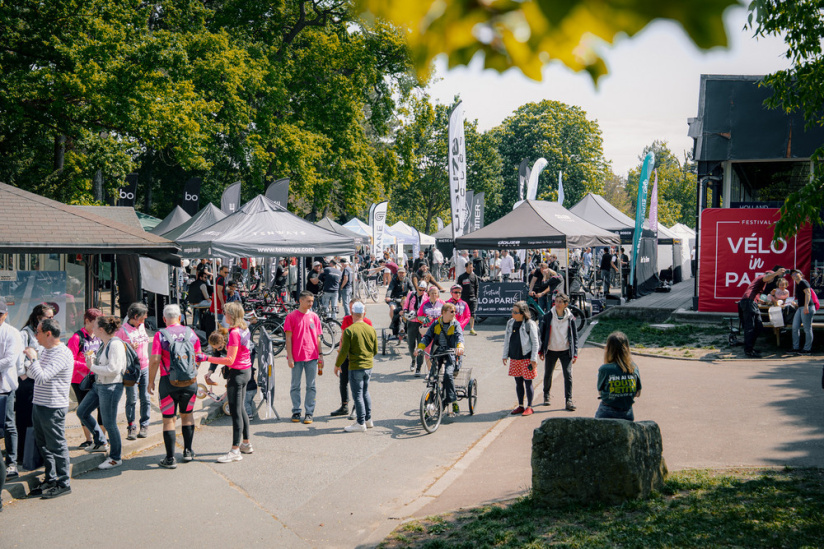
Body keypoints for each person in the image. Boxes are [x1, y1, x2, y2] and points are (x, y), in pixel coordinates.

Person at [24, 317, 73, 498]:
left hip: (53, 406)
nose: (35, 336)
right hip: (40, 403)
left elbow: (41, 376)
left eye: (37, 332)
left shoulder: (62, 353)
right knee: (43, 444)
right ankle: (50, 478)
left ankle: (63, 483)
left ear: (48, 333)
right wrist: (34, 361)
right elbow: (32, 373)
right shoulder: (45, 350)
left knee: (57, 445)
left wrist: (33, 358)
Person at [149, 304, 202, 469]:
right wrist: (191, 372)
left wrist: (151, 381)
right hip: (190, 383)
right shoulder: (191, 333)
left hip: (167, 383)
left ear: (164, 319)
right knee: (187, 416)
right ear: (180, 317)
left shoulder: (160, 335)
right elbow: (199, 357)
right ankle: (187, 451)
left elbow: (155, 359)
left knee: (168, 420)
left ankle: (170, 458)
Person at [204, 302, 254, 462]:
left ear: (231, 315)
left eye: (225, 313)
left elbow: (229, 360)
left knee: (236, 411)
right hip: (246, 371)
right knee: (241, 409)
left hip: (237, 373)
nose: (224, 315)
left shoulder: (234, 333)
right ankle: (245, 444)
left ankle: (235, 450)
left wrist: (206, 358)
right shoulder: (245, 328)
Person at [77, 316, 127, 470]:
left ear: (101, 329)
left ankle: (115, 457)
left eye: (96, 325)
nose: (92, 327)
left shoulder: (115, 344)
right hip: (99, 385)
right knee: (82, 412)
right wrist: (93, 362)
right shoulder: (104, 343)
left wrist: (92, 366)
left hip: (111, 387)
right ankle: (101, 442)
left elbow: (114, 370)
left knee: (109, 423)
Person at [14, 304, 54, 477]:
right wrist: (22, 374)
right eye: (48, 317)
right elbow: (18, 356)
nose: (51, 320)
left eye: (52, 318)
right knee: (24, 419)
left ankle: (34, 454)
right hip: (27, 381)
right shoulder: (25, 333)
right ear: (38, 317)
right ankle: (22, 455)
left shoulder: (46, 333)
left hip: (39, 378)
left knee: (35, 419)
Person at [415, 302, 465, 417]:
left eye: (455, 312)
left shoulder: (455, 324)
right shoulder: (436, 324)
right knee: (432, 377)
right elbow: (427, 337)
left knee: (448, 374)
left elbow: (459, 337)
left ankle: (453, 401)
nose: (454, 313)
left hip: (451, 353)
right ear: (443, 313)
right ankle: (428, 404)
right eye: (451, 311)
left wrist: (460, 347)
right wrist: (420, 348)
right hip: (438, 353)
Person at [336, 302, 378, 432]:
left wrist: (337, 365)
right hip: (368, 365)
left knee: (358, 395)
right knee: (365, 392)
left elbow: (344, 351)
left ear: (352, 313)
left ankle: (360, 423)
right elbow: (375, 349)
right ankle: (368, 419)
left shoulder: (350, 330)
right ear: (363, 314)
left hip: (355, 365)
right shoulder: (371, 328)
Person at [285, 291, 324, 424]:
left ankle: (309, 412)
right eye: (308, 301)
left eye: (312, 301)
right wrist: (290, 357)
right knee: (295, 385)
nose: (310, 304)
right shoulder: (291, 316)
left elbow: (318, 338)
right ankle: (296, 410)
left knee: (311, 386)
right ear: (300, 301)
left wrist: (321, 355)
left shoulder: (315, 317)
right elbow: (288, 338)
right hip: (297, 357)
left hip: (312, 357)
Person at [68, 308, 104, 448]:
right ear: (87, 321)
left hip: (97, 377)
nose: (98, 326)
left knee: (102, 407)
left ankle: (101, 438)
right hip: (79, 380)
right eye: (96, 322)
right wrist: (87, 366)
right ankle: (88, 439)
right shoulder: (77, 338)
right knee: (84, 409)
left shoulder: (99, 336)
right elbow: (69, 361)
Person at [538, 293, 579, 410]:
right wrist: (541, 351)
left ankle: (569, 400)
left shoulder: (570, 318)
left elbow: (574, 336)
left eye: (561, 302)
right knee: (548, 374)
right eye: (556, 301)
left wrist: (575, 353)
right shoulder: (548, 316)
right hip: (551, 349)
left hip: (565, 351)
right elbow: (542, 334)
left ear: (566, 304)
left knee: (568, 375)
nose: (558, 304)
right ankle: (546, 395)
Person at [116, 303, 151, 441]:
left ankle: (145, 424)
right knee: (132, 399)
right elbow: (116, 350)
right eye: (142, 318)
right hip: (131, 370)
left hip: (145, 367)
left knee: (146, 398)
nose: (144, 320)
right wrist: (128, 347)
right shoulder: (122, 331)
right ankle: (131, 426)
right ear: (135, 317)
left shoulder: (141, 326)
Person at [738, 266, 786, 358]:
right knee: (750, 327)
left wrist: (760, 300)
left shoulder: (761, 282)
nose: (773, 280)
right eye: (772, 278)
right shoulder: (762, 277)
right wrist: (776, 273)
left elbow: (754, 292)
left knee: (759, 326)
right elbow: (766, 277)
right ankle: (748, 351)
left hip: (752, 302)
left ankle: (750, 347)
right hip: (749, 302)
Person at [502, 301, 540, 416]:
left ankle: (529, 406)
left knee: (528, 382)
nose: (512, 314)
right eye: (512, 311)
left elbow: (535, 342)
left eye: (515, 312)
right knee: (518, 382)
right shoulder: (510, 323)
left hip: (526, 358)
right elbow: (506, 340)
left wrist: (533, 358)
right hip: (515, 357)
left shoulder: (530, 324)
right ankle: (520, 405)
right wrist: (505, 355)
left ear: (522, 313)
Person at [595, 331, 641, 421]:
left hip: (606, 411)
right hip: (627, 412)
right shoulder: (634, 368)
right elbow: (637, 393)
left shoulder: (605, 369)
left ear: (608, 349)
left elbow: (600, 391)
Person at [0, 301, 23, 480]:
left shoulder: (12, 333)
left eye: (0, 314)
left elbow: (9, 360)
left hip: (5, 386)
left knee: (8, 424)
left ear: (6, 314)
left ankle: (11, 462)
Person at [790, 269, 819, 354]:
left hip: (807, 307)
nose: (794, 275)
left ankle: (807, 349)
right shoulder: (798, 285)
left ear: (801, 275)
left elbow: (808, 293)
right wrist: (796, 304)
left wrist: (806, 306)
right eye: (792, 274)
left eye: (796, 273)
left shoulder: (803, 282)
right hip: (800, 308)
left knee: (807, 328)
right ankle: (796, 347)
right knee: (795, 327)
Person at [405, 282, 429, 375]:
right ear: (417, 287)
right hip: (411, 322)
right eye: (420, 289)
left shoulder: (427, 296)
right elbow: (406, 306)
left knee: (421, 346)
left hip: (422, 324)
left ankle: (419, 367)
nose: (422, 292)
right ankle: (413, 359)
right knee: (411, 345)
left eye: (424, 290)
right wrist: (405, 312)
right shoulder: (411, 294)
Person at [386, 266, 414, 336]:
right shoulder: (394, 280)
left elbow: (412, 289)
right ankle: (395, 324)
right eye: (400, 273)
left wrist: (415, 294)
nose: (401, 274)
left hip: (404, 299)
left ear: (405, 273)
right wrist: (388, 296)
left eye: (403, 273)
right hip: (394, 299)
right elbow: (390, 289)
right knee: (393, 308)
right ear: (398, 273)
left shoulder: (407, 280)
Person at [456, 261, 479, 335]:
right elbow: (458, 288)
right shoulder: (461, 277)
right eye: (469, 267)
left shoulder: (474, 276)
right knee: (462, 314)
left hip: (473, 298)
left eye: (472, 267)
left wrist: (476, 296)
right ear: (466, 268)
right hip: (463, 298)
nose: (471, 269)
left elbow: (476, 287)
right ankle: (460, 328)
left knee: (472, 313)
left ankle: (471, 329)